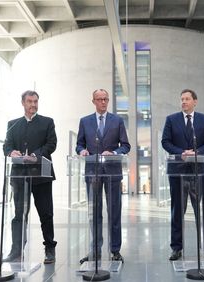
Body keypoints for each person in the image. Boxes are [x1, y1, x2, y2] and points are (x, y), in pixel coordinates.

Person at [76, 89, 130, 263]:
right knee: (94, 213)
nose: (103, 102)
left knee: (114, 212)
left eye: (105, 99)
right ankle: (95, 250)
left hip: (113, 172)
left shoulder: (117, 120)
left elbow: (126, 146)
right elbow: (79, 144)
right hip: (93, 172)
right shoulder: (85, 121)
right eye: (99, 99)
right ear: (93, 101)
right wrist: (82, 150)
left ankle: (115, 250)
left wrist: (114, 151)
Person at [3, 90, 57, 264]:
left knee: (46, 214)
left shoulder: (47, 122)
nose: (33, 104)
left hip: (41, 175)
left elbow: (51, 144)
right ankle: (16, 250)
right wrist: (11, 151)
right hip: (19, 177)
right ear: (23, 103)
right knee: (19, 215)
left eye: (35, 101)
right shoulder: (13, 124)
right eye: (30, 101)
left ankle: (49, 249)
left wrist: (35, 154)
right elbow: (6, 146)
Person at [161, 89, 204, 261]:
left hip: (199, 170)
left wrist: (197, 153)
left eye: (187, 99)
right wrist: (181, 152)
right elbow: (165, 141)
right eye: (182, 99)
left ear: (195, 101)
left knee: (201, 210)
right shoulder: (171, 120)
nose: (183, 102)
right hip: (177, 170)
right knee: (177, 210)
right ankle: (176, 248)